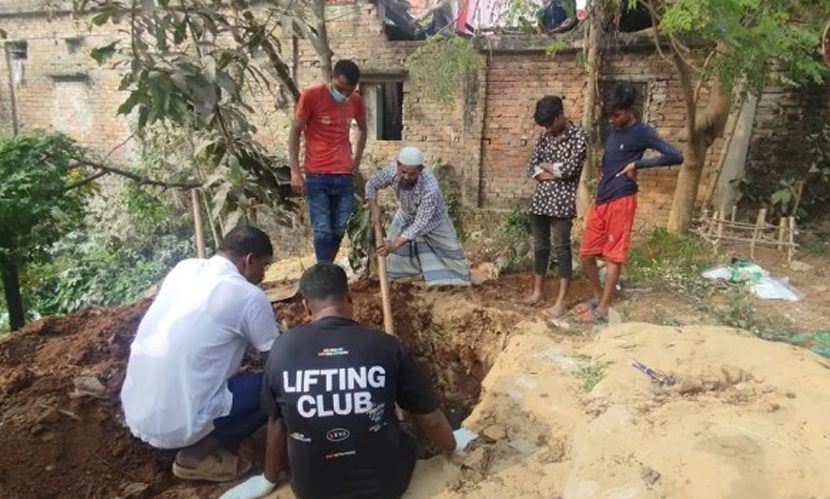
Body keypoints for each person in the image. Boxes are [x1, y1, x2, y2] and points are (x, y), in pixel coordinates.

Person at [219, 263, 456, 499]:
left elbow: (276, 423)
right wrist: (454, 446)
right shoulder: (386, 345)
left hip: (311, 489)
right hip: (387, 486)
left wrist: (268, 479)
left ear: (305, 306)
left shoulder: (282, 349)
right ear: (349, 296)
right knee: (405, 435)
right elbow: (430, 420)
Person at [120, 226, 281, 482]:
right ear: (248, 260)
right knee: (277, 387)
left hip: (138, 413)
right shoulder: (248, 295)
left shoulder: (184, 268)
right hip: (179, 424)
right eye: (264, 265)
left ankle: (212, 432)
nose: (263, 274)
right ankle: (196, 456)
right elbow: (277, 363)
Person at [576, 82, 684, 323]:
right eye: (610, 116)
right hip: (602, 199)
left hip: (623, 199)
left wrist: (638, 164)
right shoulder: (611, 130)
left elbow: (676, 156)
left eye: (616, 115)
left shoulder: (642, 132)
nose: (612, 120)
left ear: (628, 110)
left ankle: (604, 307)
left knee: (614, 256)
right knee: (586, 254)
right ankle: (597, 294)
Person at [288, 60, 368, 263]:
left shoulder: (356, 101)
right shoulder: (311, 96)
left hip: (344, 175)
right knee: (323, 230)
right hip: (317, 174)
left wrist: (355, 163)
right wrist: (295, 172)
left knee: (339, 228)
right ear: (332, 78)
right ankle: (325, 278)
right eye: (340, 88)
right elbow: (295, 131)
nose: (344, 94)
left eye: (349, 91)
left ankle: (325, 271)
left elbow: (363, 128)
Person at [365, 146, 472, 287]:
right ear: (397, 165)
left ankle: (455, 281)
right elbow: (371, 185)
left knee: (449, 256)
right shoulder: (391, 171)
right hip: (405, 215)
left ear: (420, 170)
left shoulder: (430, 188)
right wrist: (375, 210)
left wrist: (394, 245)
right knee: (395, 258)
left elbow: (420, 224)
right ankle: (406, 279)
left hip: (433, 222)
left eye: (412, 174)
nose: (406, 177)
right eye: (403, 172)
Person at [524, 95, 587, 318]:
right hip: (540, 201)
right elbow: (532, 167)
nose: (548, 128)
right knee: (540, 247)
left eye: (550, 123)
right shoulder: (544, 136)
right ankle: (538, 291)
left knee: (562, 249)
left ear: (561, 114)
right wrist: (552, 171)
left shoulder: (579, 136)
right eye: (545, 126)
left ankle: (561, 301)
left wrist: (546, 167)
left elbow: (570, 171)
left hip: (562, 204)